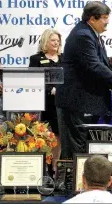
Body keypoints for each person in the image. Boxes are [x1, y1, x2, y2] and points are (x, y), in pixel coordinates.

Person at [55, 1, 112, 159]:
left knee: (80, 144)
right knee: (75, 146)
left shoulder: (92, 34)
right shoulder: (83, 35)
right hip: (75, 100)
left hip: (83, 101)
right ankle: (72, 183)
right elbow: (93, 65)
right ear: (92, 19)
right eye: (104, 18)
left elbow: (95, 62)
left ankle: (79, 182)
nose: (107, 21)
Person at [29, 28, 62, 171]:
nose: (56, 43)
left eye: (58, 41)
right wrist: (50, 90)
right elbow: (32, 81)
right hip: (43, 103)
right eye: (53, 40)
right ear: (45, 41)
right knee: (44, 135)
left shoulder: (65, 58)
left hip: (61, 104)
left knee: (58, 135)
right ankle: (42, 167)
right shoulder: (36, 59)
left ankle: (55, 166)